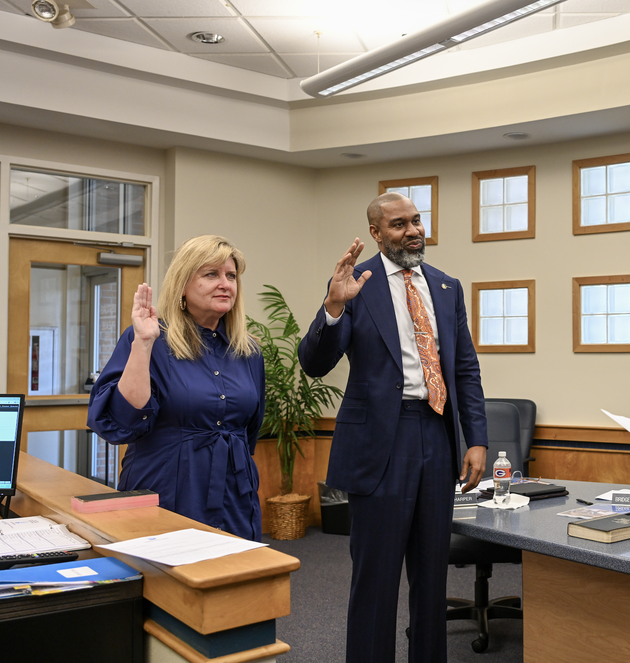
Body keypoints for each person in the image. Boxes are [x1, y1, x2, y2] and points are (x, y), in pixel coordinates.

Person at [299, 192, 488, 663]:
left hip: (436, 433)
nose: (413, 230)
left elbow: (465, 369)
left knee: (432, 576)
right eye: (400, 224)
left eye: (417, 221)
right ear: (378, 234)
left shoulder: (446, 287)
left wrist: (477, 439)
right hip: (380, 444)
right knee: (377, 577)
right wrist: (333, 307)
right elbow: (315, 364)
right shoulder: (355, 286)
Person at [88, 235, 265, 542]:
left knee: (234, 579)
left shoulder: (248, 352)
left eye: (231, 276)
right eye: (211, 274)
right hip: (168, 487)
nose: (225, 283)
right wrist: (143, 345)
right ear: (182, 284)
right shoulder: (149, 339)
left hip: (235, 493)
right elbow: (122, 424)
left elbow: (248, 432)